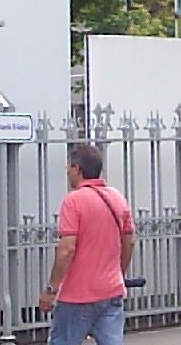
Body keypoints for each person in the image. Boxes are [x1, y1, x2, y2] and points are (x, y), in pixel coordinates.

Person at [37, 144, 135, 345]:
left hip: (77, 295)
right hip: (111, 290)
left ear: (77, 169)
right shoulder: (117, 198)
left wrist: (51, 290)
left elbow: (67, 249)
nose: (67, 172)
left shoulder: (73, 201)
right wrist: (119, 272)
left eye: (69, 167)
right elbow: (129, 241)